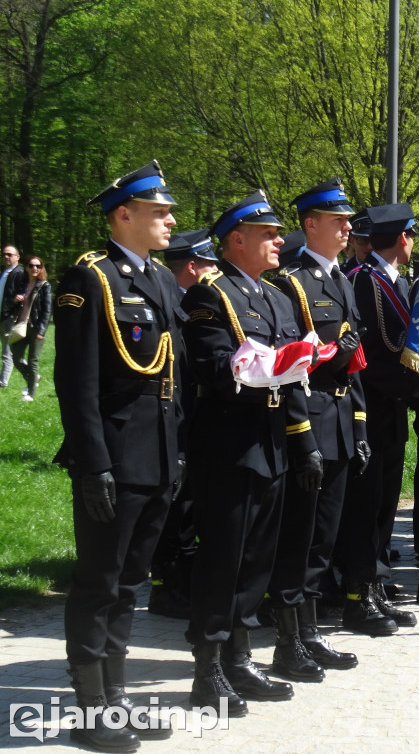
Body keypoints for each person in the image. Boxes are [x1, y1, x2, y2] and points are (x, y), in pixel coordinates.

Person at [53, 161, 182, 749]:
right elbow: (75, 383)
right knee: (99, 582)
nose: (170, 220)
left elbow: (171, 379)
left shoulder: (158, 280)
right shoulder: (91, 280)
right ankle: (90, 711)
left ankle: (117, 698)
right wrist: (93, 463)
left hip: (155, 456)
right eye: (159, 212)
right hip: (114, 457)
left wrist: (175, 456)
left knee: (131, 583)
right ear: (123, 215)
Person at [182, 190, 323, 715]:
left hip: (270, 444)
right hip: (228, 445)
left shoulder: (277, 297)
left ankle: (240, 658)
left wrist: (303, 441)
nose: (279, 241)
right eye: (267, 235)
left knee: (258, 558)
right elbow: (214, 369)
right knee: (223, 557)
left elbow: (292, 381)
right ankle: (208, 668)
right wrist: (259, 367)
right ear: (235, 240)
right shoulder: (208, 295)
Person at [269, 178, 377, 676]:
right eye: (338, 221)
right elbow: (293, 365)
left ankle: (311, 633)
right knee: (300, 535)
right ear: (310, 224)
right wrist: (303, 438)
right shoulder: (291, 282)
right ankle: (289, 640)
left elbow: (354, 363)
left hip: (337, 420)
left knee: (324, 537)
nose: (347, 228)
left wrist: (358, 426)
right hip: (308, 423)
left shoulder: (340, 280)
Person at [341, 203, 419, 630]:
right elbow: (370, 356)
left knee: (385, 505)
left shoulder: (399, 283)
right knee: (365, 506)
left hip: (392, 411)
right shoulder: (360, 282)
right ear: (402, 237)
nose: (413, 241)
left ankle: (375, 584)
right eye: (411, 234)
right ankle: (357, 595)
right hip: (368, 410)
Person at [148, 229, 219, 621]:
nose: (214, 270)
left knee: (187, 504)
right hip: (171, 420)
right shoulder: (170, 303)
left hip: (192, 417)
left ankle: (182, 580)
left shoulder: (187, 302)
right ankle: (166, 586)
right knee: (173, 508)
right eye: (209, 263)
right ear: (192, 266)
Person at [10, 256, 50, 401]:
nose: (35, 268)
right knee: (16, 357)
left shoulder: (44, 285)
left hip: (35, 328)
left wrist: (41, 331)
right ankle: (34, 378)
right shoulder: (22, 285)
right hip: (21, 326)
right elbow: (11, 303)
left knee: (33, 361)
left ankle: (30, 394)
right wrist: (15, 300)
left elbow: (47, 310)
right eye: (32, 265)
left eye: (38, 266)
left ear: (41, 268)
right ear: (26, 267)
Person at [1, 244, 27, 388]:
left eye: (9, 254)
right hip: (2, 315)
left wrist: (19, 297)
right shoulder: (5, 273)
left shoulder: (19, 272)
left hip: (10, 316)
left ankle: (3, 381)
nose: (6, 257)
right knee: (11, 351)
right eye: (4, 254)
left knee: (9, 351)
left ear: (17, 257)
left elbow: (26, 291)